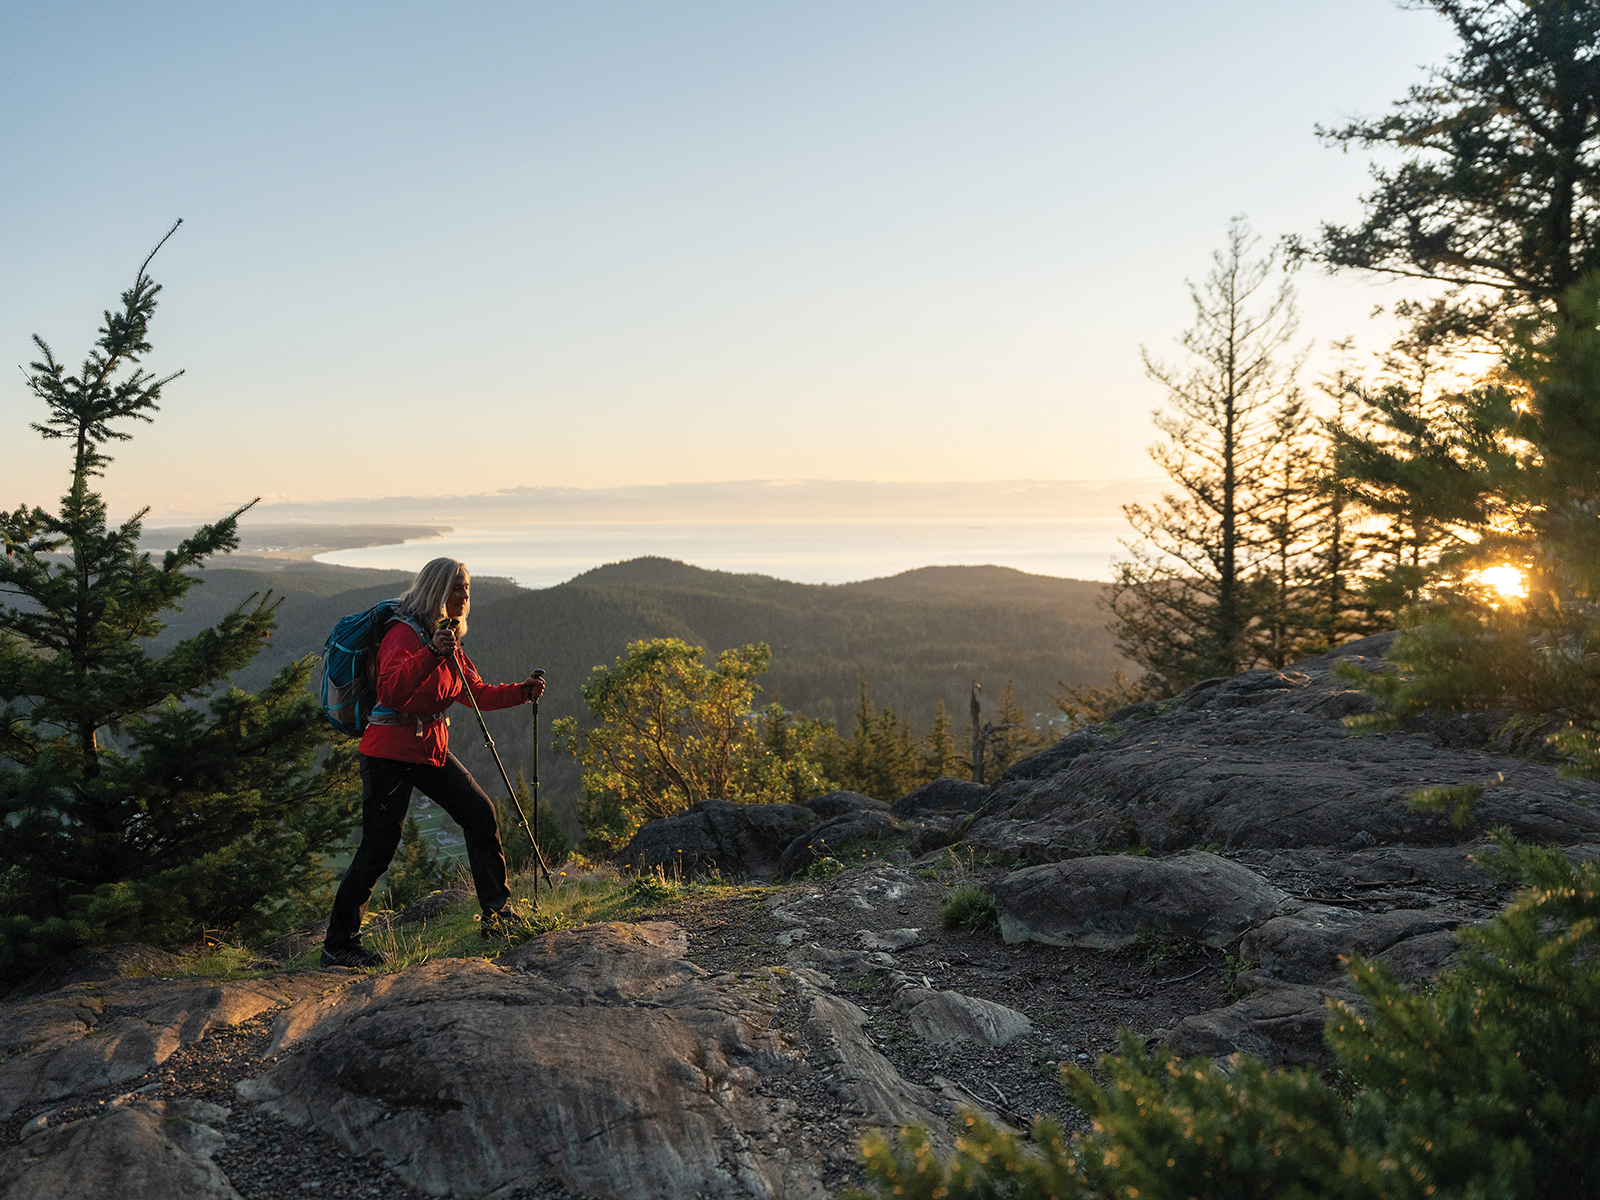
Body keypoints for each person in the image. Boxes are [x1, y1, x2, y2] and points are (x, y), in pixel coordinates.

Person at [321, 557, 545, 968]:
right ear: (436, 590)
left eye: (467, 588)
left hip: (428, 750)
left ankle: (498, 915)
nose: (464, 595)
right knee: (378, 848)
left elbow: (477, 692)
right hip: (387, 751)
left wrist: (523, 691)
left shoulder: (447, 637)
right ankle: (339, 944)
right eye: (457, 587)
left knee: (479, 814)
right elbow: (391, 690)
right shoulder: (404, 634)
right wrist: (429, 653)